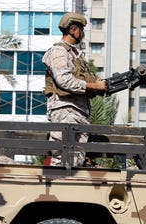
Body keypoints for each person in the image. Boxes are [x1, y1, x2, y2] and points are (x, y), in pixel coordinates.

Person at [42, 12, 107, 167]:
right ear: (72, 30)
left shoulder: (75, 55)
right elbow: (64, 80)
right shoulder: (59, 52)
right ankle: (56, 190)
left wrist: (98, 86)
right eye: (81, 30)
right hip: (66, 110)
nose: (83, 34)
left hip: (78, 112)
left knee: (75, 161)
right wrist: (93, 86)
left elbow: (82, 81)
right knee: (62, 160)